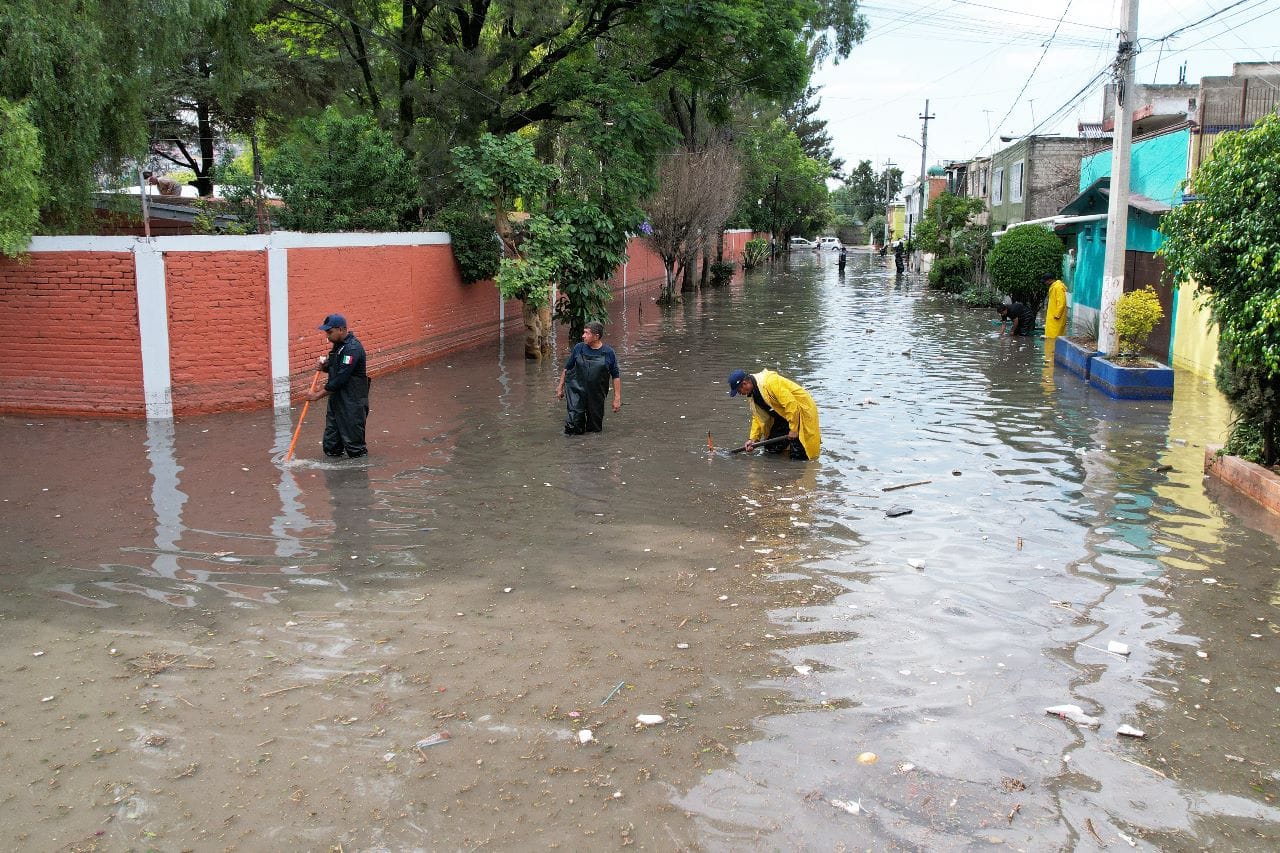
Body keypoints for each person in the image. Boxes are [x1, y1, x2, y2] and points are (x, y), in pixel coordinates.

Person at [306, 314, 370, 458]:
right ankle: (334, 477)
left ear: (341, 329)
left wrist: (317, 395)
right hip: (337, 401)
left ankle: (359, 477)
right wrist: (326, 366)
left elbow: (341, 378)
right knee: (331, 445)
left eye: (329, 332)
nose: (327, 336)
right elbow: (337, 366)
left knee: (355, 449)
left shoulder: (352, 349)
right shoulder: (338, 346)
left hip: (352, 403)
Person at [727, 369, 821, 461]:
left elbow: (791, 404)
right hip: (783, 416)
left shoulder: (770, 382)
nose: (740, 394)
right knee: (771, 449)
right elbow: (758, 417)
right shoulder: (752, 394)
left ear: (744, 384)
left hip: (800, 412)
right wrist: (753, 439)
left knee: (798, 455)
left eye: (739, 391)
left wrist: (793, 429)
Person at [557, 321, 621, 434]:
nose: (583, 336)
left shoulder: (608, 352)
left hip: (596, 394)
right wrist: (560, 386)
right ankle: (574, 448)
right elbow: (567, 368)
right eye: (583, 332)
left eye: (587, 333)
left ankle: (591, 448)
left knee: (594, 429)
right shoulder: (579, 348)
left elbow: (615, 376)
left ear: (596, 336)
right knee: (572, 425)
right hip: (576, 392)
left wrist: (617, 398)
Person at [1043, 273, 1068, 338]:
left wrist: (1057, 315)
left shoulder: (1058, 287)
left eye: (1045, 281)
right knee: (1052, 336)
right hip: (1053, 317)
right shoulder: (1054, 287)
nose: (1045, 283)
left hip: (1056, 318)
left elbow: (1062, 302)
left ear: (1050, 280)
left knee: (1054, 337)